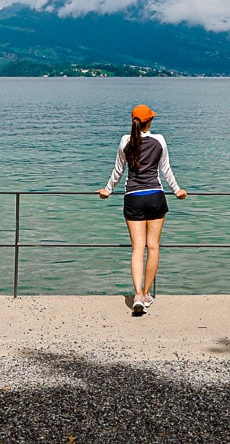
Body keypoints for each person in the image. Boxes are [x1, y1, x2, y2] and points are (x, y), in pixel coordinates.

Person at [97, 104, 187, 315]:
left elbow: (118, 171)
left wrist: (108, 190)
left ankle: (137, 294)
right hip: (155, 196)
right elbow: (165, 169)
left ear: (134, 121)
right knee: (153, 247)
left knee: (137, 248)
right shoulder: (160, 140)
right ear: (150, 121)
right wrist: (177, 190)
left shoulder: (124, 141)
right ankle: (146, 294)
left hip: (133, 198)